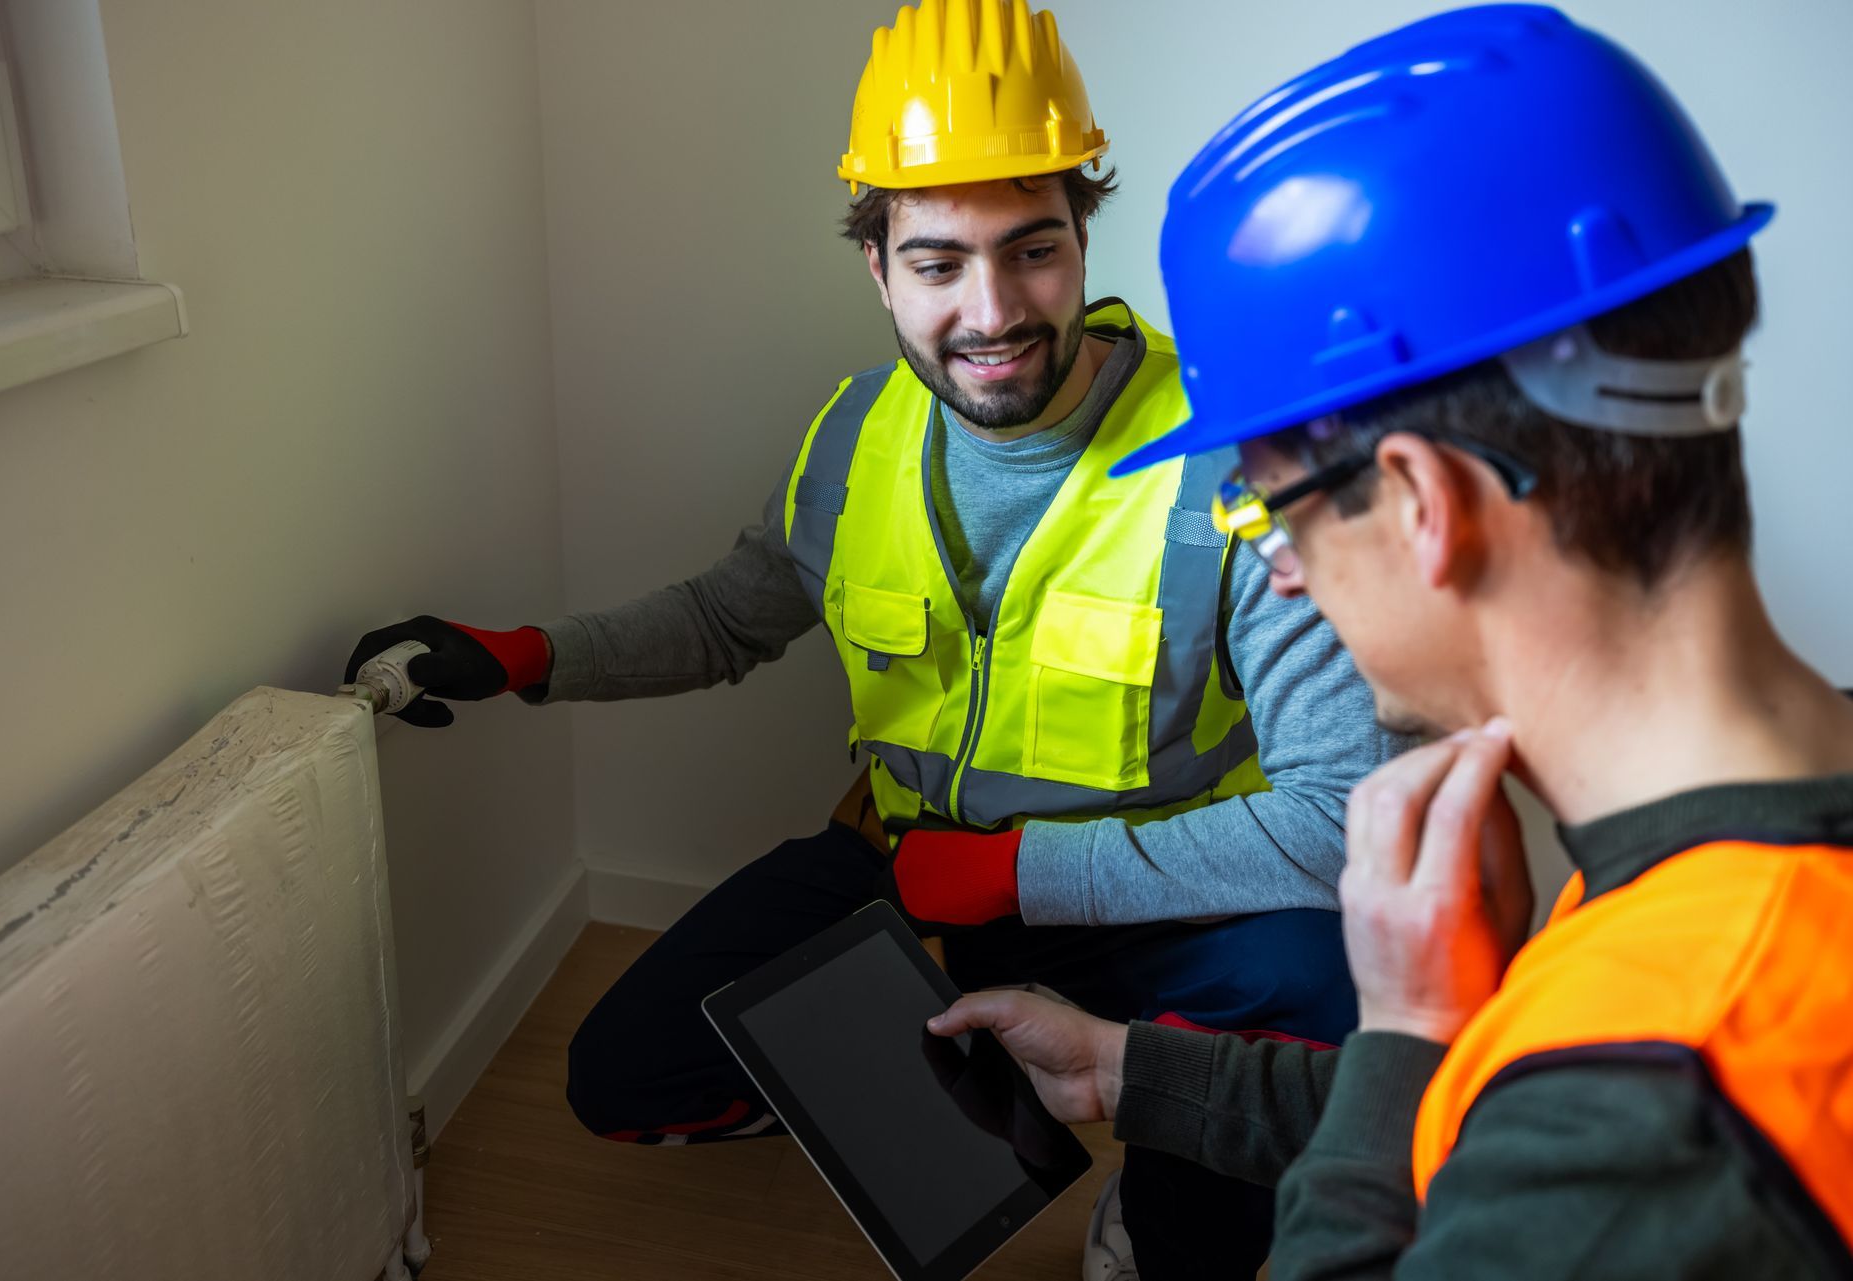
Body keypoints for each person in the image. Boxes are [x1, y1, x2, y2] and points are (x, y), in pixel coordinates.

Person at [345, 2, 1398, 1276]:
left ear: (1083, 238)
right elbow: (730, 616)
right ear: (879, 267)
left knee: (1320, 1001)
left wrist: (1016, 878)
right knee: (626, 1075)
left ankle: (1169, 1202)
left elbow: (1338, 815)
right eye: (941, 262)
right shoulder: (858, 436)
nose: (994, 309)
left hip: (1159, 895)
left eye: (1034, 250)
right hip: (907, 874)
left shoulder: (1230, 455)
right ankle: (972, 1102)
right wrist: (527, 656)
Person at [930, 5, 1853, 1276]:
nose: (1287, 577)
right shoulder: (1731, 862)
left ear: (1425, 504)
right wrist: (1125, 1068)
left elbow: (1565, 1149)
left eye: (1265, 507)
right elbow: (1507, 1127)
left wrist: (1410, 1022)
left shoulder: (1678, 1083)